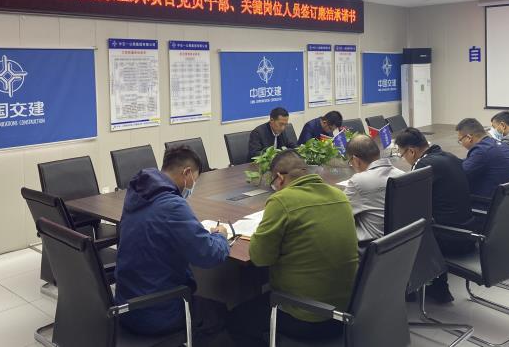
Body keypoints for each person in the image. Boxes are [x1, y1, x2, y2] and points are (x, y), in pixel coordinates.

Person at [228, 150, 358, 346]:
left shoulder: (282, 201)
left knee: (237, 319)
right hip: (346, 312)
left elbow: (260, 258)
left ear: (279, 178)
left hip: (307, 316)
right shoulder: (339, 195)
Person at [115, 146, 230, 341]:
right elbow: (209, 254)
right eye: (194, 179)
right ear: (187, 173)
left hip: (126, 304)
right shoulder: (172, 205)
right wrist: (221, 236)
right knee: (220, 312)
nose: (193, 186)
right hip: (156, 312)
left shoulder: (139, 192)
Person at [395, 128, 474, 303]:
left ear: (411, 151)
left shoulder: (424, 166)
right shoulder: (449, 157)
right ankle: (436, 287)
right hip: (467, 230)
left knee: (401, 230)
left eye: (402, 154)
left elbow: (410, 204)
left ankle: (416, 289)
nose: (404, 158)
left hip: (450, 238)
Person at [344, 134, 405, 243]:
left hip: (374, 247)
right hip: (403, 242)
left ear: (356, 160)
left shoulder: (358, 181)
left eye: (350, 163)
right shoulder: (402, 174)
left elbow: (340, 212)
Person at [457, 118, 509, 199]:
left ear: (469, 138)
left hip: (492, 203)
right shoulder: (500, 144)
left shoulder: (482, 151)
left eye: (460, 140)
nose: (461, 144)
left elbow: (460, 176)